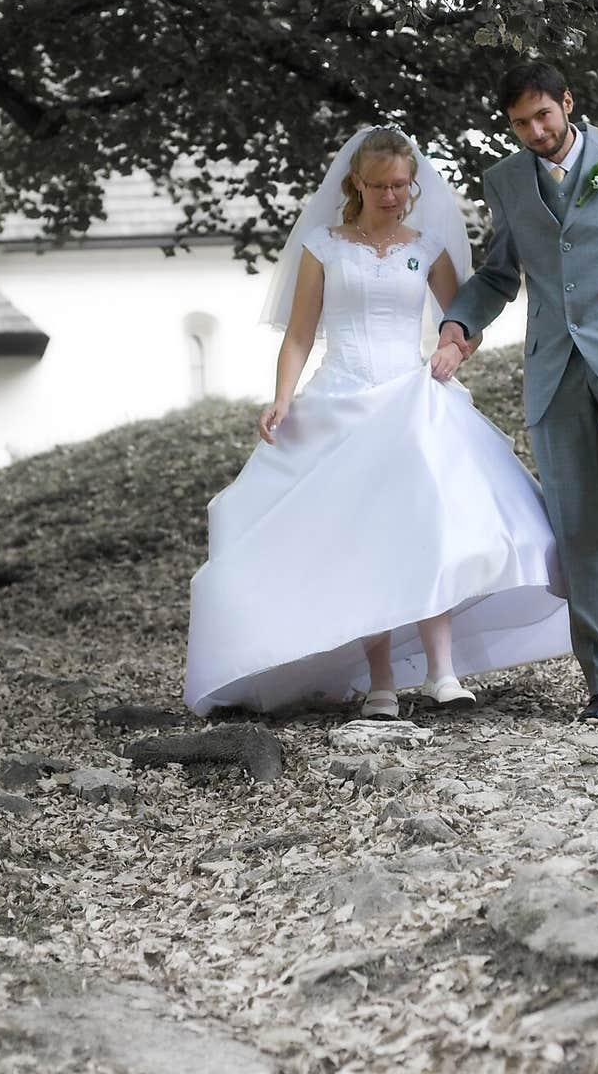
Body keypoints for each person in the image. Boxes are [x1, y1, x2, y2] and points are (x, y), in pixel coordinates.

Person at [184, 126, 571, 719]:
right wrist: (282, 398)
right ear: (356, 184)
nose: (392, 196)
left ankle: (443, 673)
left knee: (426, 524)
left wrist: (453, 347)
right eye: (380, 185)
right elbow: (300, 335)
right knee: (360, 535)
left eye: (401, 185)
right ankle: (381, 678)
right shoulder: (323, 246)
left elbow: (463, 318)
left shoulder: (428, 246)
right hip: (340, 398)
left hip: (412, 399)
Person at [438, 61, 598, 722]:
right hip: (554, 366)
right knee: (576, 524)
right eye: (521, 123)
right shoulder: (504, 181)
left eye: (542, 116)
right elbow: (497, 275)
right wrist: (457, 328)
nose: (535, 131)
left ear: (566, 103)